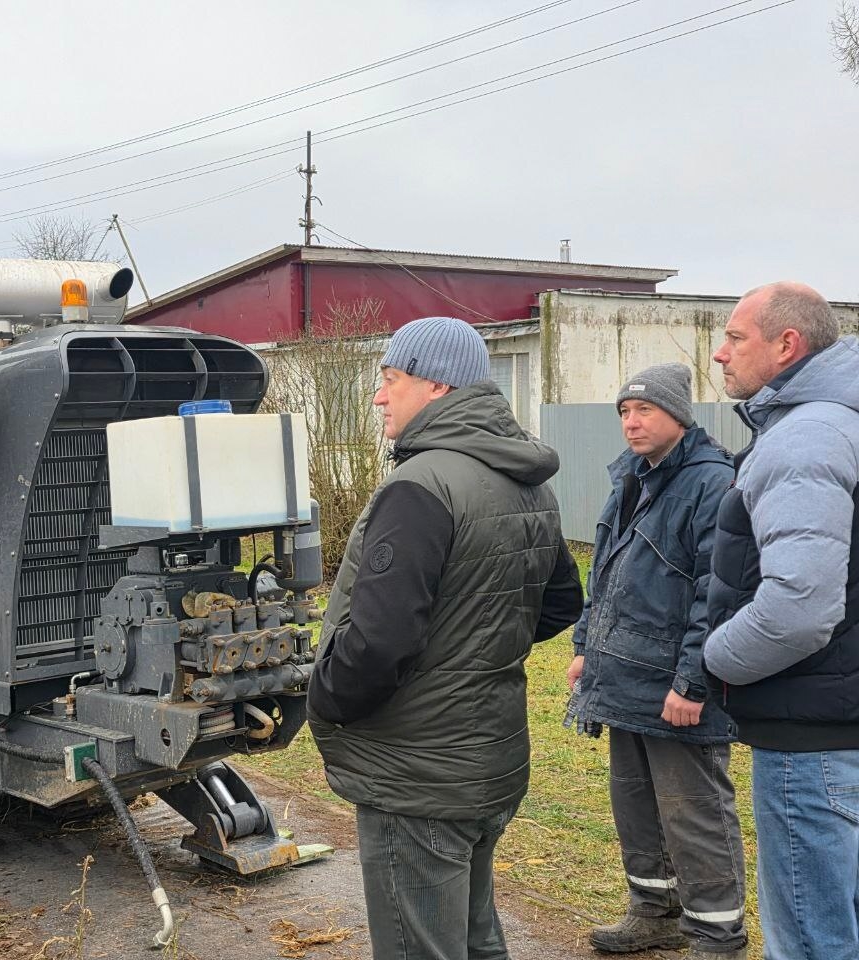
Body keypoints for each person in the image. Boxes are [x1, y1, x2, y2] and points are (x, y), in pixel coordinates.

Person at [307, 316, 584, 960]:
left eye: (390, 378)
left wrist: (322, 697)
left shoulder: (420, 486)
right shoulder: (526, 480)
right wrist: (473, 647)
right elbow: (560, 599)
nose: (379, 396)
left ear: (437, 387)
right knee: (474, 934)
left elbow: (377, 644)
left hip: (417, 773)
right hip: (487, 758)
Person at [565, 363, 745, 958]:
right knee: (636, 804)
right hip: (622, 675)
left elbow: (717, 591)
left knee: (693, 812)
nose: (632, 422)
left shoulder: (710, 482)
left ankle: (717, 936)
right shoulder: (632, 478)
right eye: (623, 411)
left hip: (676, 687)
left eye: (645, 410)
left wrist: (693, 683)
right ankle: (654, 912)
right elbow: (608, 571)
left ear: (679, 415)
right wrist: (585, 648)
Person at [703, 281, 859, 960]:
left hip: (811, 738)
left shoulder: (807, 437)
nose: (719, 354)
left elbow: (797, 610)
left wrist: (715, 658)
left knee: (811, 939)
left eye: (736, 338)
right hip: (837, 720)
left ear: (786, 344)